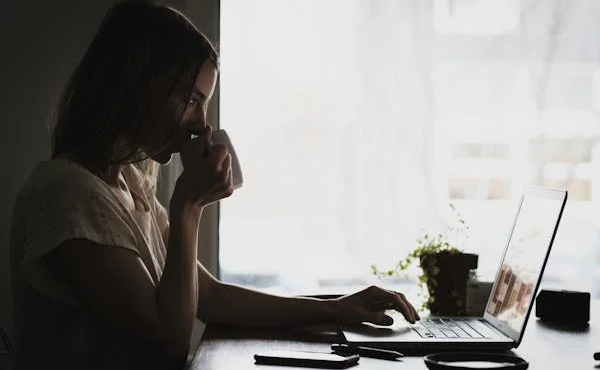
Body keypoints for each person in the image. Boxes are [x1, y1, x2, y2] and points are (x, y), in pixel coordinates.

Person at [9, 1, 419, 369]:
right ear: (137, 87)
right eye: (191, 99)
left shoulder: (127, 186)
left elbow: (210, 296)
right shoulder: (68, 194)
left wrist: (336, 308)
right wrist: (188, 206)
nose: (203, 124)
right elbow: (167, 342)